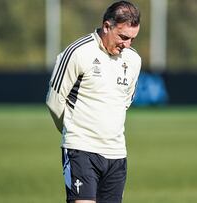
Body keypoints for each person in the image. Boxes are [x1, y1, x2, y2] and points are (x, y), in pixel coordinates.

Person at [46, 1, 141, 202]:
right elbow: (54, 101)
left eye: (132, 39)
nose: (127, 45)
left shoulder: (134, 60)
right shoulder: (77, 53)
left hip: (116, 154)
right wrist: (71, 132)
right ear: (107, 26)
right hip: (81, 149)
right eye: (123, 37)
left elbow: (125, 101)